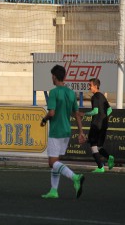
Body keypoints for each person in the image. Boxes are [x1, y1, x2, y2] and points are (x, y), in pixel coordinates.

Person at [40, 64, 86, 199]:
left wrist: (44, 119)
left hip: (56, 131)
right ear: (64, 76)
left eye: (51, 76)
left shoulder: (54, 92)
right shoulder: (71, 93)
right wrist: (81, 132)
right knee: (56, 161)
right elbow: (77, 114)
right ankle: (54, 191)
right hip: (66, 131)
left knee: (52, 162)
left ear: (54, 77)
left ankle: (75, 177)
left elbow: (52, 113)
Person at [79, 78, 114, 173]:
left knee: (93, 145)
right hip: (103, 125)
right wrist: (104, 119)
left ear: (95, 86)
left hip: (96, 125)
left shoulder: (94, 97)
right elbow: (110, 110)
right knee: (99, 146)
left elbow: (95, 111)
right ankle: (109, 157)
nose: (89, 87)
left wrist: (84, 114)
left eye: (90, 85)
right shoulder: (102, 96)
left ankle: (100, 167)